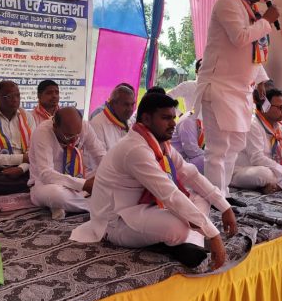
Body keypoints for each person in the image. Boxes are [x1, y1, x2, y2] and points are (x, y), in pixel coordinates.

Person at [70, 93, 237, 270]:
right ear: (147, 119)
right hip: (115, 222)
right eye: (166, 118)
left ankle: (188, 244)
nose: (173, 123)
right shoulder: (135, 149)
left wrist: (224, 206)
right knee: (178, 228)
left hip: (143, 209)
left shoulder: (159, 144)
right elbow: (169, 194)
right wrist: (212, 234)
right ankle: (187, 242)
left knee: (200, 199)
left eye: (173, 117)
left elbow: (190, 174)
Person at [195, 0, 279, 197]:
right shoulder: (228, 2)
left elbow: (251, 52)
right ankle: (214, 199)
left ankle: (224, 195)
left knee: (234, 147)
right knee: (218, 149)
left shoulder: (249, 8)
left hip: (240, 90)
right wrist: (266, 21)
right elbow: (240, 37)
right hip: (219, 88)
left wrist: (261, 80)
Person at [28, 107, 106, 218]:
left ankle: (65, 205)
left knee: (110, 175)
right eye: (69, 135)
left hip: (79, 177)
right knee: (56, 195)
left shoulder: (84, 127)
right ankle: (98, 205)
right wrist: (83, 185)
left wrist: (103, 178)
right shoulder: (42, 132)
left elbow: (100, 155)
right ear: (55, 126)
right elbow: (46, 174)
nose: (75, 139)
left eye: (78, 134)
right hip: (46, 184)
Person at [89, 84, 135, 151]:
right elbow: (99, 156)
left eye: (132, 104)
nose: (130, 109)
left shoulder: (131, 121)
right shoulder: (97, 124)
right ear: (113, 103)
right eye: (126, 104)